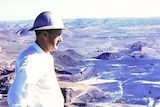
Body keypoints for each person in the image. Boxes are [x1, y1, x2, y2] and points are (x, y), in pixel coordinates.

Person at [7, 11, 65, 107]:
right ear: (45, 35)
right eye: (58, 34)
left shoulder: (44, 56)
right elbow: (16, 96)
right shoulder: (32, 60)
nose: (61, 39)